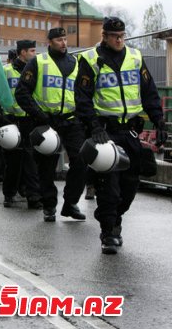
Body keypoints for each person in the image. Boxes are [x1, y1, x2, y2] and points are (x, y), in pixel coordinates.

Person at [75, 17, 167, 254]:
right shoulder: (91, 60)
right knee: (110, 186)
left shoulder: (135, 58)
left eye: (122, 36)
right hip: (106, 134)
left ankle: (114, 217)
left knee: (130, 185)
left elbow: (149, 92)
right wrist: (94, 126)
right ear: (104, 36)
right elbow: (83, 98)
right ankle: (108, 232)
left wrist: (159, 120)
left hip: (131, 132)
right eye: (115, 36)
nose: (119, 40)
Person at [15, 27, 87, 222]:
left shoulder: (76, 63)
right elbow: (21, 93)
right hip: (46, 122)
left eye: (65, 39)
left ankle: (70, 202)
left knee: (81, 161)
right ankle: (49, 204)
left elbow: (84, 92)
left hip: (72, 121)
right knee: (46, 168)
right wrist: (39, 115)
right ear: (50, 42)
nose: (64, 43)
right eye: (59, 40)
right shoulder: (38, 62)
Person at [0, 40, 42, 209]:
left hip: (30, 120)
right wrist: (2, 119)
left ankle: (32, 195)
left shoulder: (36, 71)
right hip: (11, 121)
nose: (35, 54)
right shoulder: (6, 71)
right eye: (32, 50)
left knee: (31, 160)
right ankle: (9, 193)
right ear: (22, 52)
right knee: (13, 162)